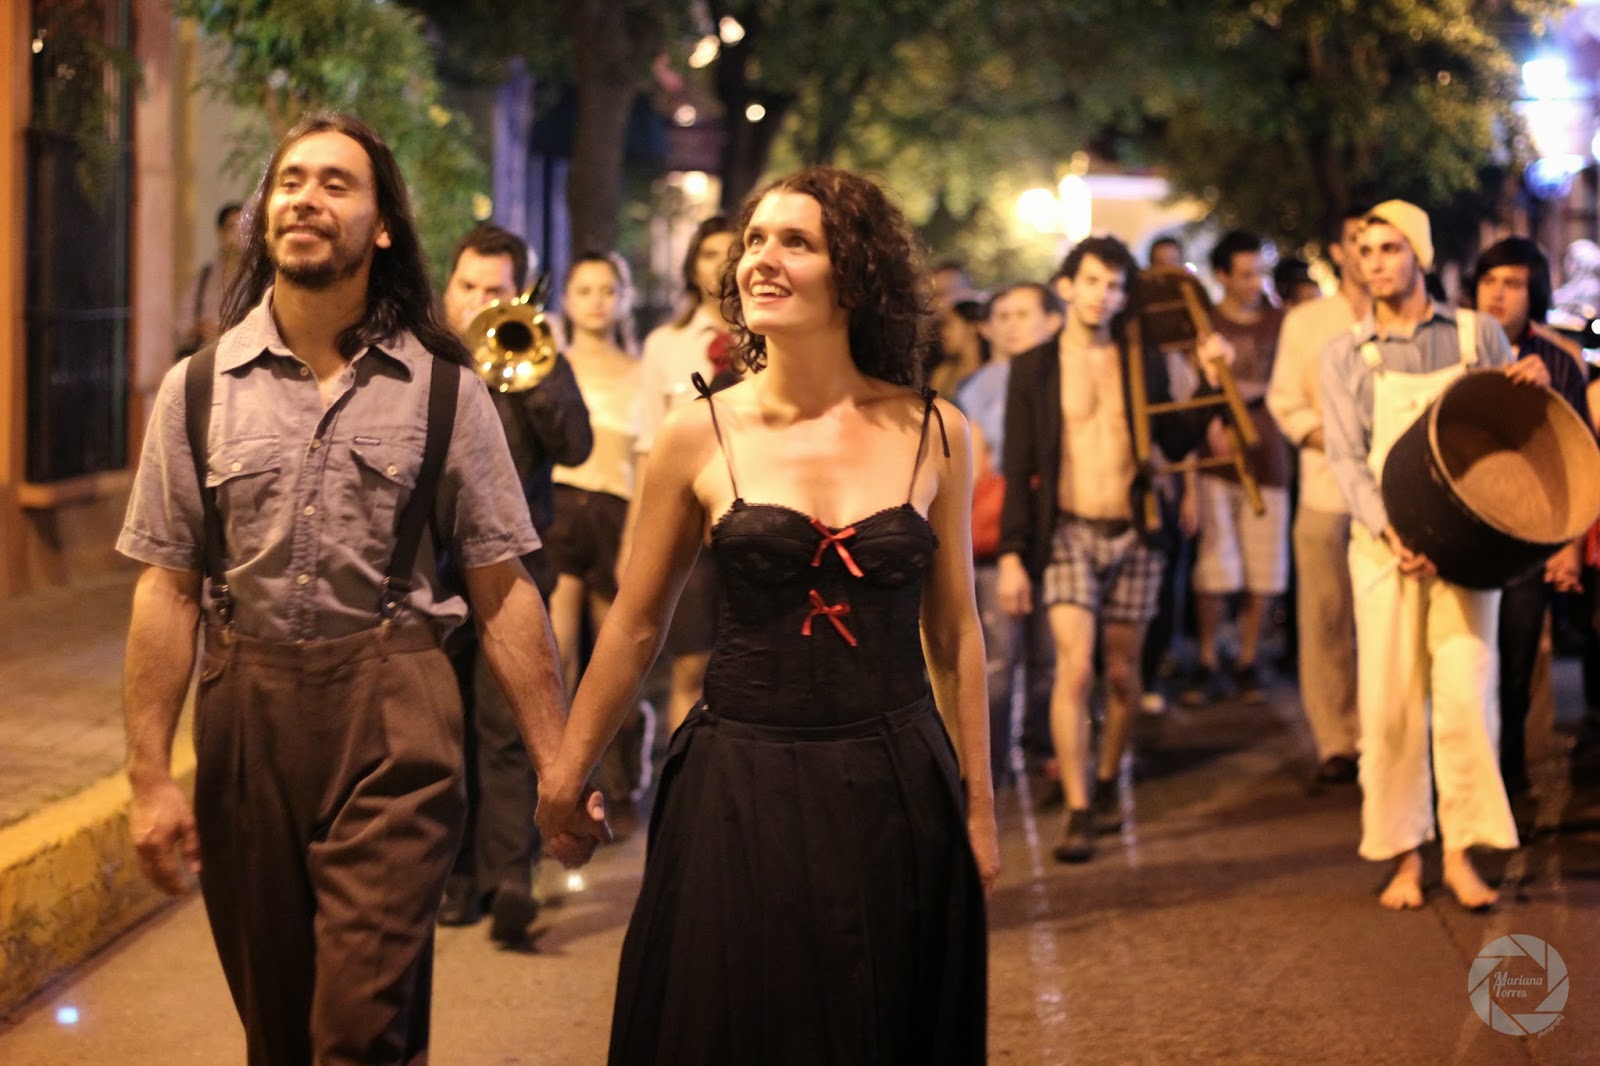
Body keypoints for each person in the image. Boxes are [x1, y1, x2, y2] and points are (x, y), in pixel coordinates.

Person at [117, 112, 591, 1064]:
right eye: (291, 181)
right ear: (265, 216)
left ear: (382, 226)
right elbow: (167, 592)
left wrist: (555, 764)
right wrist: (149, 777)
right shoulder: (197, 389)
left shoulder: (446, 390)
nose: (306, 199)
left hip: (396, 716)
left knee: (357, 1028)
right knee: (279, 1030)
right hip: (245, 717)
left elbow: (502, 587)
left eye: (337, 184)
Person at [536, 165, 996, 1064]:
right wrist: (565, 773)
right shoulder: (697, 432)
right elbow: (634, 625)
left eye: (795, 241)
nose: (762, 259)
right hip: (739, 790)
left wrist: (978, 808)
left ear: (854, 273)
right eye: (754, 240)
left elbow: (954, 634)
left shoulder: (936, 430)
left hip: (896, 786)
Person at [1321, 200, 1539, 911]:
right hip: (1386, 550)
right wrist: (1395, 532)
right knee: (1390, 701)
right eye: (1366, 251)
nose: (1375, 263)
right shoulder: (1346, 354)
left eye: (1389, 248)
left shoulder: (1478, 336)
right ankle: (1404, 854)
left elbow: (1510, 436)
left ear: (1419, 254)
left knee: (1467, 694)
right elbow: (1347, 458)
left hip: (1468, 548)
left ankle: (1461, 851)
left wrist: (1531, 387)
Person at [997, 237, 1230, 862]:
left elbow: (1175, 441)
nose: (1105, 295)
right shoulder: (1035, 367)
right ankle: (1077, 808)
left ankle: (1105, 780)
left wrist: (1209, 379)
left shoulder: (1142, 360)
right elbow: (1018, 466)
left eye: (1117, 285)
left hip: (1135, 528)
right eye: (1094, 281)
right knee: (1075, 668)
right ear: (1067, 285)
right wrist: (1014, 553)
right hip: (1067, 531)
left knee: (1122, 673)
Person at [435, 222, 594, 939]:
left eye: (493, 289)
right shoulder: (422, 358)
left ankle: (508, 878)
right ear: (447, 287)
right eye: (466, 286)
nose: (477, 301)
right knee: (445, 728)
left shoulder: (535, 352)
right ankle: (455, 877)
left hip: (516, 570)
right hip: (436, 573)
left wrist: (533, 378)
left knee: (506, 729)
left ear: (518, 293)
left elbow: (576, 445)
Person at [1470, 236, 1590, 797]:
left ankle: (1510, 776)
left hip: (1529, 533)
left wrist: (1569, 544)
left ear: (1534, 291)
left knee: (1517, 659)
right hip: (1466, 529)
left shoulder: (1559, 361)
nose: (1498, 294)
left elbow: (1576, 459)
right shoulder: (1456, 346)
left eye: (1513, 283)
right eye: (1490, 281)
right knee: (1464, 663)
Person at [1267, 206, 1370, 788]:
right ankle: (1336, 739)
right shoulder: (1307, 321)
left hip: (1392, 493)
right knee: (1326, 619)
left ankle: (1383, 734)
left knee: (1383, 622)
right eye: (1357, 241)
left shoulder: (1407, 315)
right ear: (1337, 251)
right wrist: (1329, 437)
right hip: (1325, 488)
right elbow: (1285, 400)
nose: (1368, 254)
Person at [544, 252, 650, 821]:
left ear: (625, 299)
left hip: (615, 515)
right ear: (566, 299)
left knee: (615, 661)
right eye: (583, 290)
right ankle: (564, 787)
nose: (596, 301)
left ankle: (626, 769)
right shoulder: (548, 363)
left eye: (607, 290)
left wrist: (636, 537)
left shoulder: (641, 371)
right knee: (557, 653)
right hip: (560, 510)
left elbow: (646, 458)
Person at [622, 215, 736, 735]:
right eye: (709, 254)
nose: (722, 264)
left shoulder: (774, 341)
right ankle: (684, 772)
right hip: (684, 523)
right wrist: (634, 537)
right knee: (689, 665)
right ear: (692, 267)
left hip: (749, 521)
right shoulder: (665, 345)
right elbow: (647, 445)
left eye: (732, 251)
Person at [955, 284, 1063, 789]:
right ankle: (989, 768)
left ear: (1052, 320)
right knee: (998, 661)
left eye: (1022, 314)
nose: (1011, 325)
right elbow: (974, 468)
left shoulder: (1068, 373)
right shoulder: (975, 388)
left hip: (1058, 530)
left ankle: (1050, 750)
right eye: (1001, 316)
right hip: (999, 534)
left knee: (1052, 658)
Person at [1182, 230, 1292, 705]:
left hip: (1269, 457)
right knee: (1215, 566)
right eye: (1244, 274)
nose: (1254, 284)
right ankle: (1208, 658)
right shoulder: (1204, 323)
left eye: (1259, 273)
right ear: (1223, 275)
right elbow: (1191, 384)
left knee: (1263, 566)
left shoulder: (1281, 323)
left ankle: (1248, 658)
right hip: (1217, 460)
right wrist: (1211, 418)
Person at [175, 201, 243, 359]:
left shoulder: (259, 280)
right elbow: (180, 325)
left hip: (243, 362)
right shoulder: (204, 278)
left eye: (243, 228)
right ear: (220, 233)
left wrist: (229, 334)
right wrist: (199, 328)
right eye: (232, 227)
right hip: (205, 361)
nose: (238, 234)